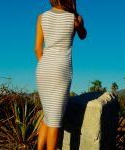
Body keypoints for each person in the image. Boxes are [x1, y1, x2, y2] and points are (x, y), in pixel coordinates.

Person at [35, 0, 87, 149]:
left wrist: (48, 65)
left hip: (43, 69)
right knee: (55, 121)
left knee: (48, 115)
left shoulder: (41, 17)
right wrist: (78, 22)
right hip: (61, 70)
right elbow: (83, 35)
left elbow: (37, 49)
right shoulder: (75, 18)